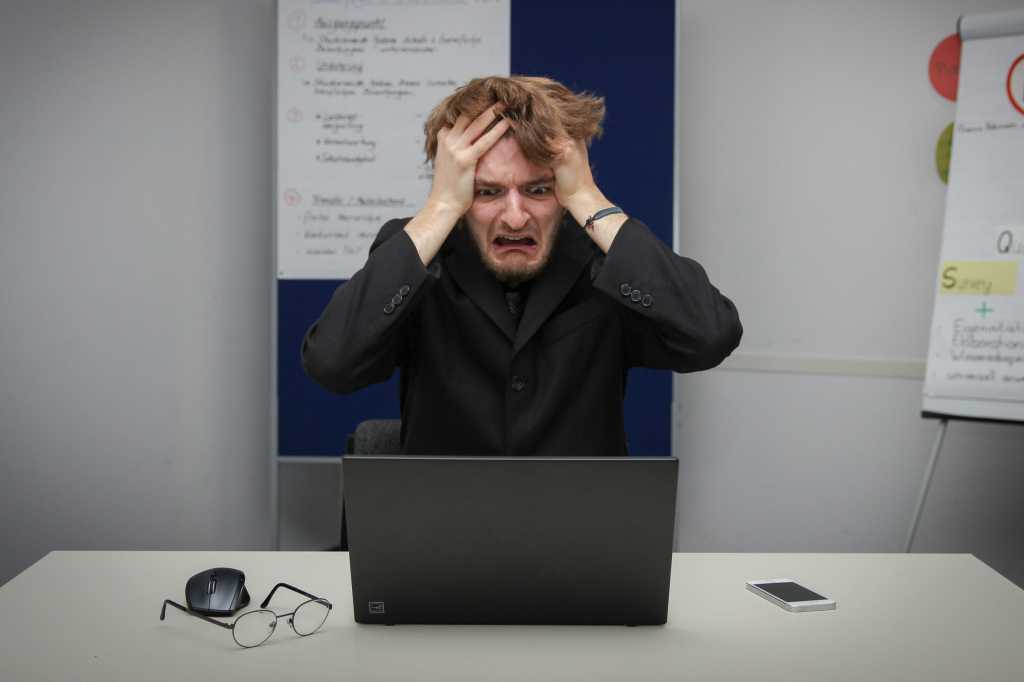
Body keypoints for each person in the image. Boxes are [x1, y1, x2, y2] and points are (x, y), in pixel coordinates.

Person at [302, 76, 742, 457]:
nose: (514, 217)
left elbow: (709, 335)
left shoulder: (602, 258)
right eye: (488, 192)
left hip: (582, 536)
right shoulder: (420, 255)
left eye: (538, 189)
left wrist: (588, 200)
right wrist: (441, 207)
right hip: (444, 536)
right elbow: (333, 363)